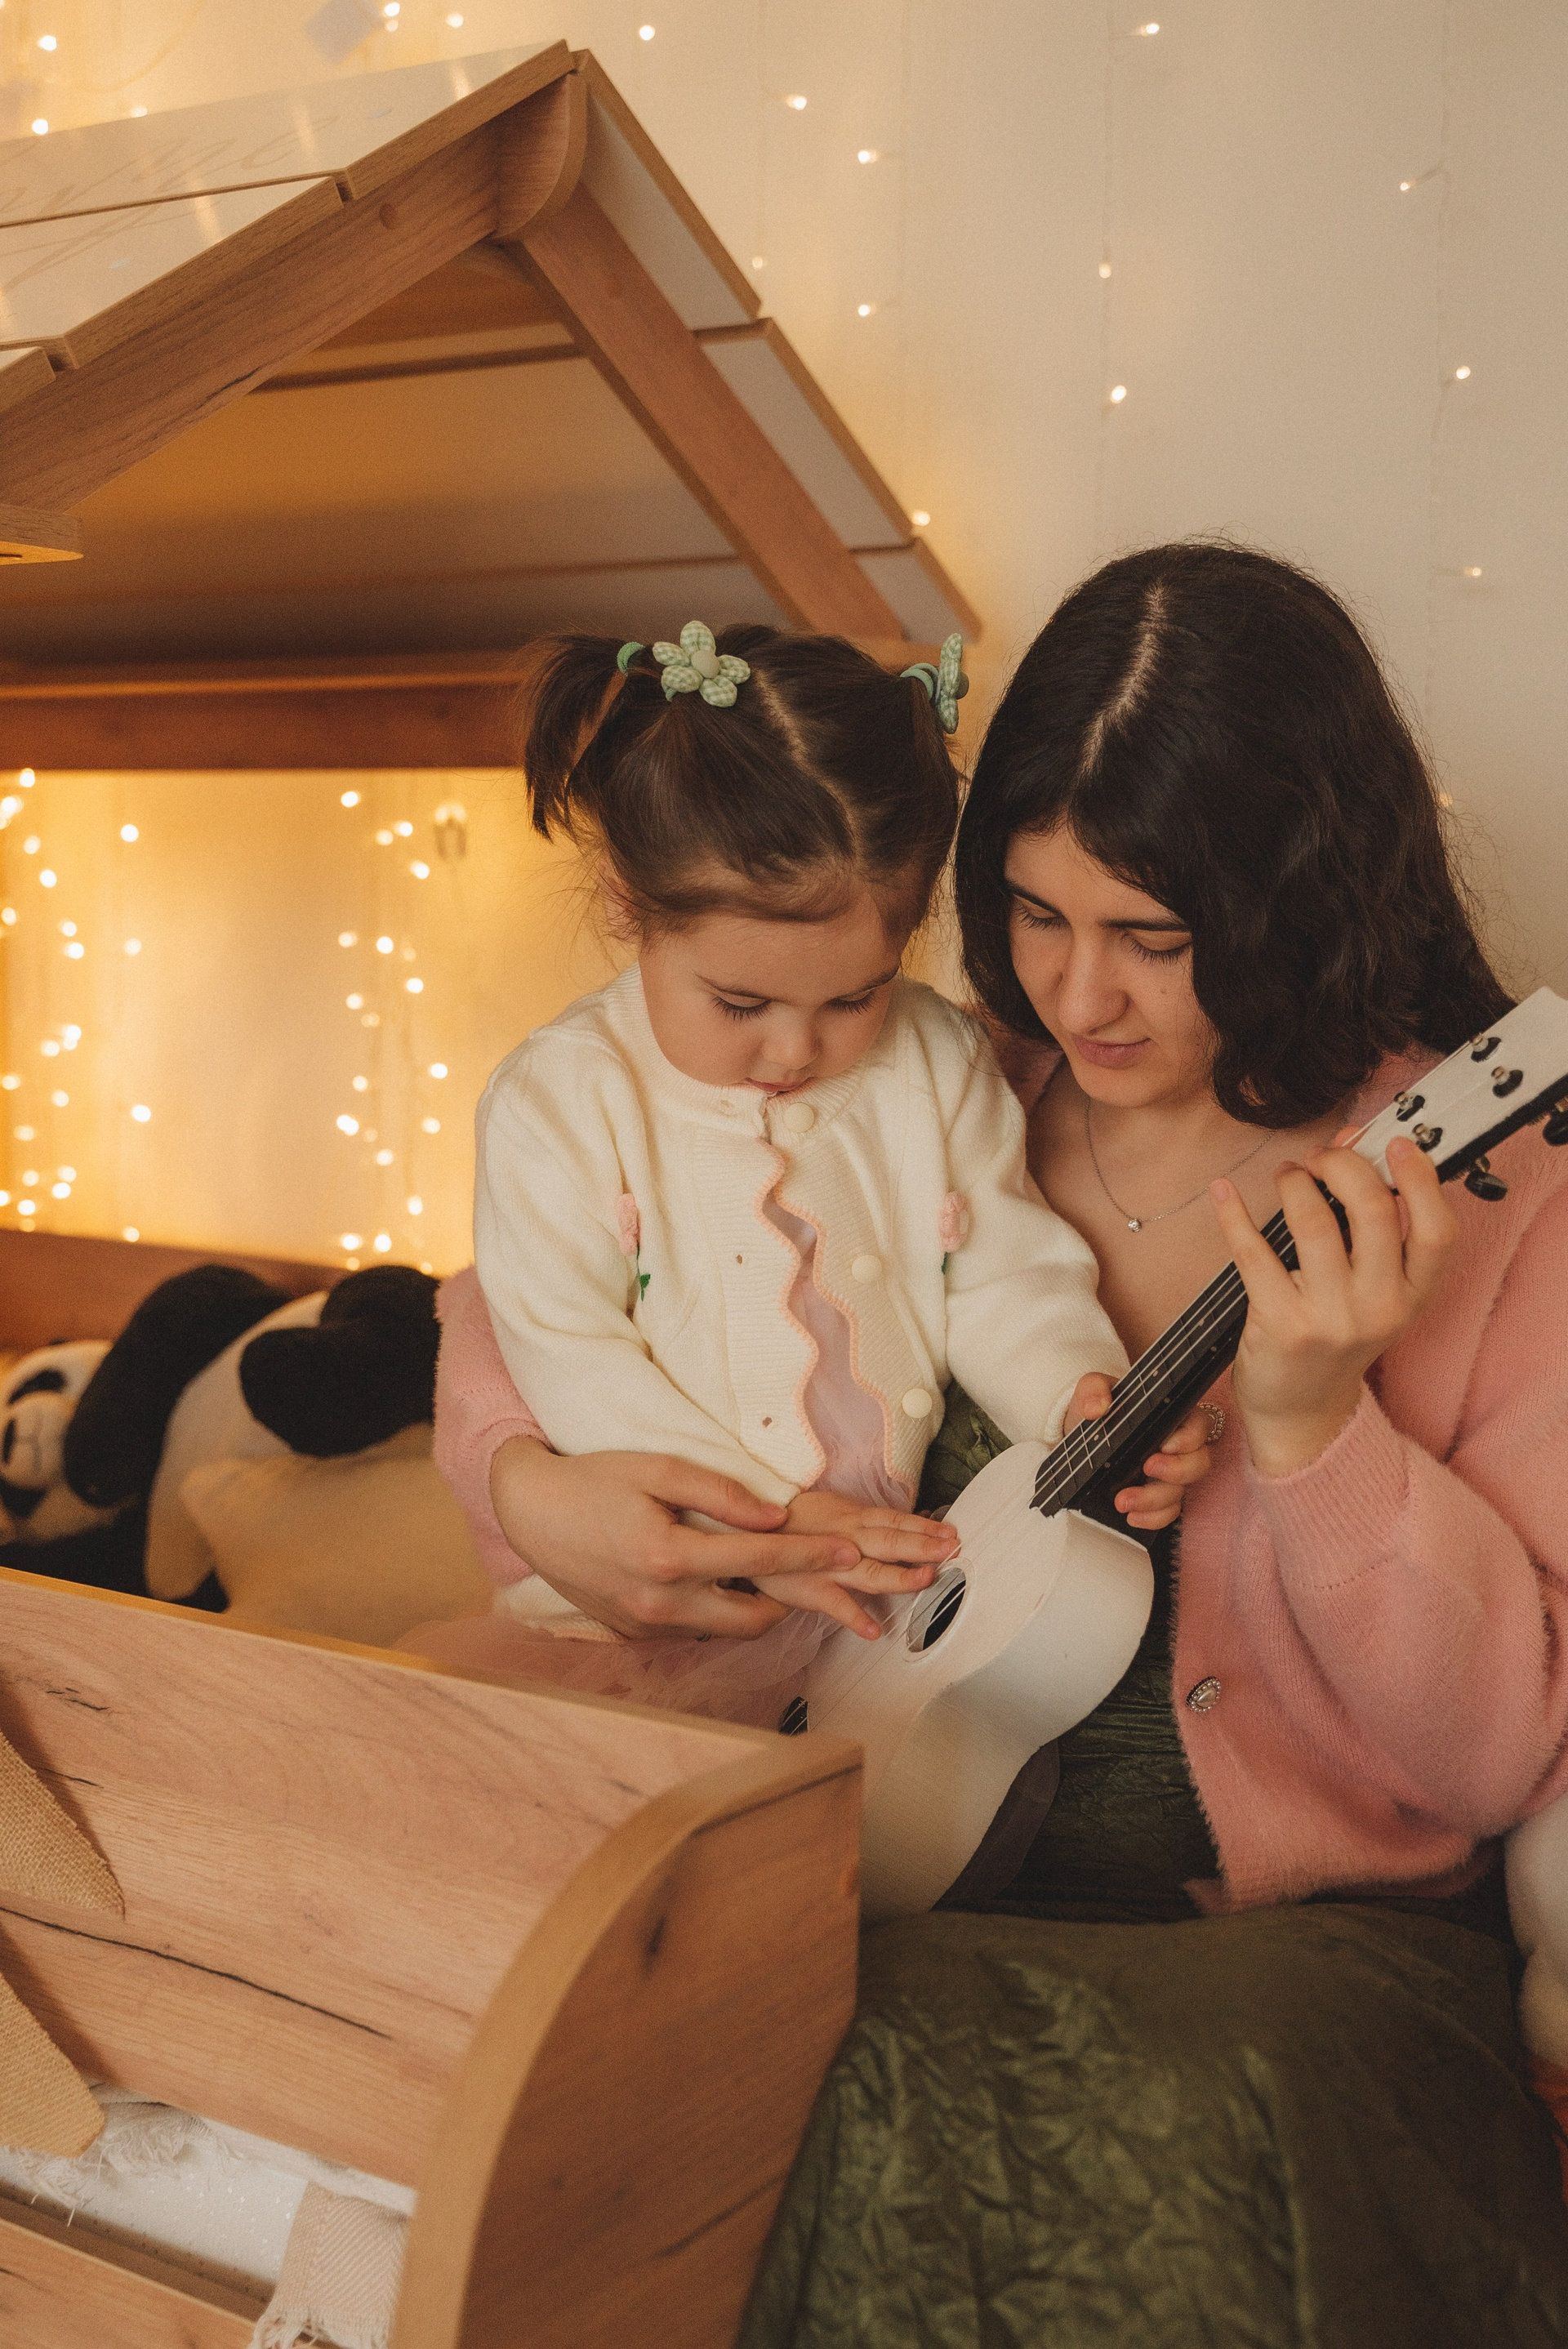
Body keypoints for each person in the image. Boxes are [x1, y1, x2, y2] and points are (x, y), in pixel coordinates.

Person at [434, 548, 1568, 2343]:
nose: (1079, 996)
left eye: (1154, 939)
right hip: (869, 1852)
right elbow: (514, 1300)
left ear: (1295, 894)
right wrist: (533, 1488)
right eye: (1035, 914)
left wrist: (1316, 1432)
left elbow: (1501, 1757)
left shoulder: (1494, 1202)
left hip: (1281, 1952)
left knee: (1003, 2105)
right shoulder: (938, 1072)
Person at [427, 620, 1208, 1724]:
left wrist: (1074, 1395)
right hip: (646, 1606)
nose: (796, 1051)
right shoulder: (558, 1101)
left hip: (872, 1605)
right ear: (624, 901)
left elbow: (1005, 1272)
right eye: (741, 1004)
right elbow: (570, 1357)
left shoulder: (936, 1059)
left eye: (854, 997)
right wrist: (767, 1524)